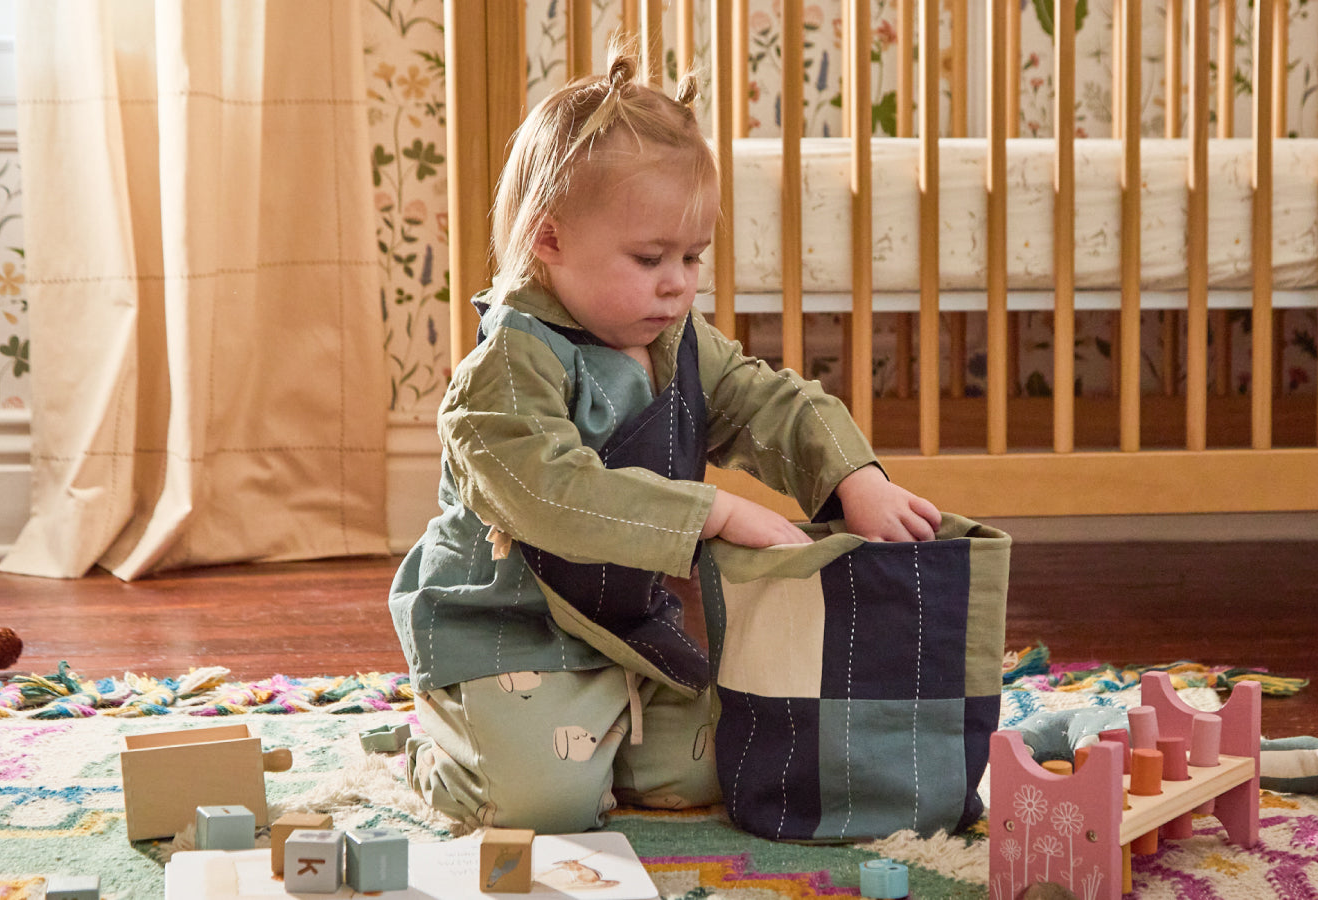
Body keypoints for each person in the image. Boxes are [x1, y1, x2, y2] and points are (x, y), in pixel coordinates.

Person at [388, 50, 941, 834]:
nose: (678, 283)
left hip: (621, 625)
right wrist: (712, 513)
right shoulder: (503, 375)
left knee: (719, 767)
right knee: (545, 807)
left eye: (691, 258)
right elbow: (559, 493)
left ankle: (600, 731)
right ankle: (443, 741)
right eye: (649, 259)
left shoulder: (675, 342)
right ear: (548, 240)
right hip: (508, 629)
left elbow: (763, 400)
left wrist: (857, 477)